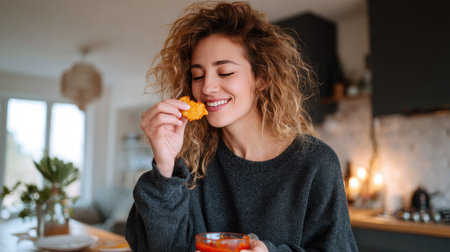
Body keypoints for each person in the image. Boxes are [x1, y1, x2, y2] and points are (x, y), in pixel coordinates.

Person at [125, 1, 357, 251]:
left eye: (225, 72)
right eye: (198, 75)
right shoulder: (191, 163)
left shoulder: (316, 164)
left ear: (262, 78)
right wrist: (164, 166)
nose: (206, 88)